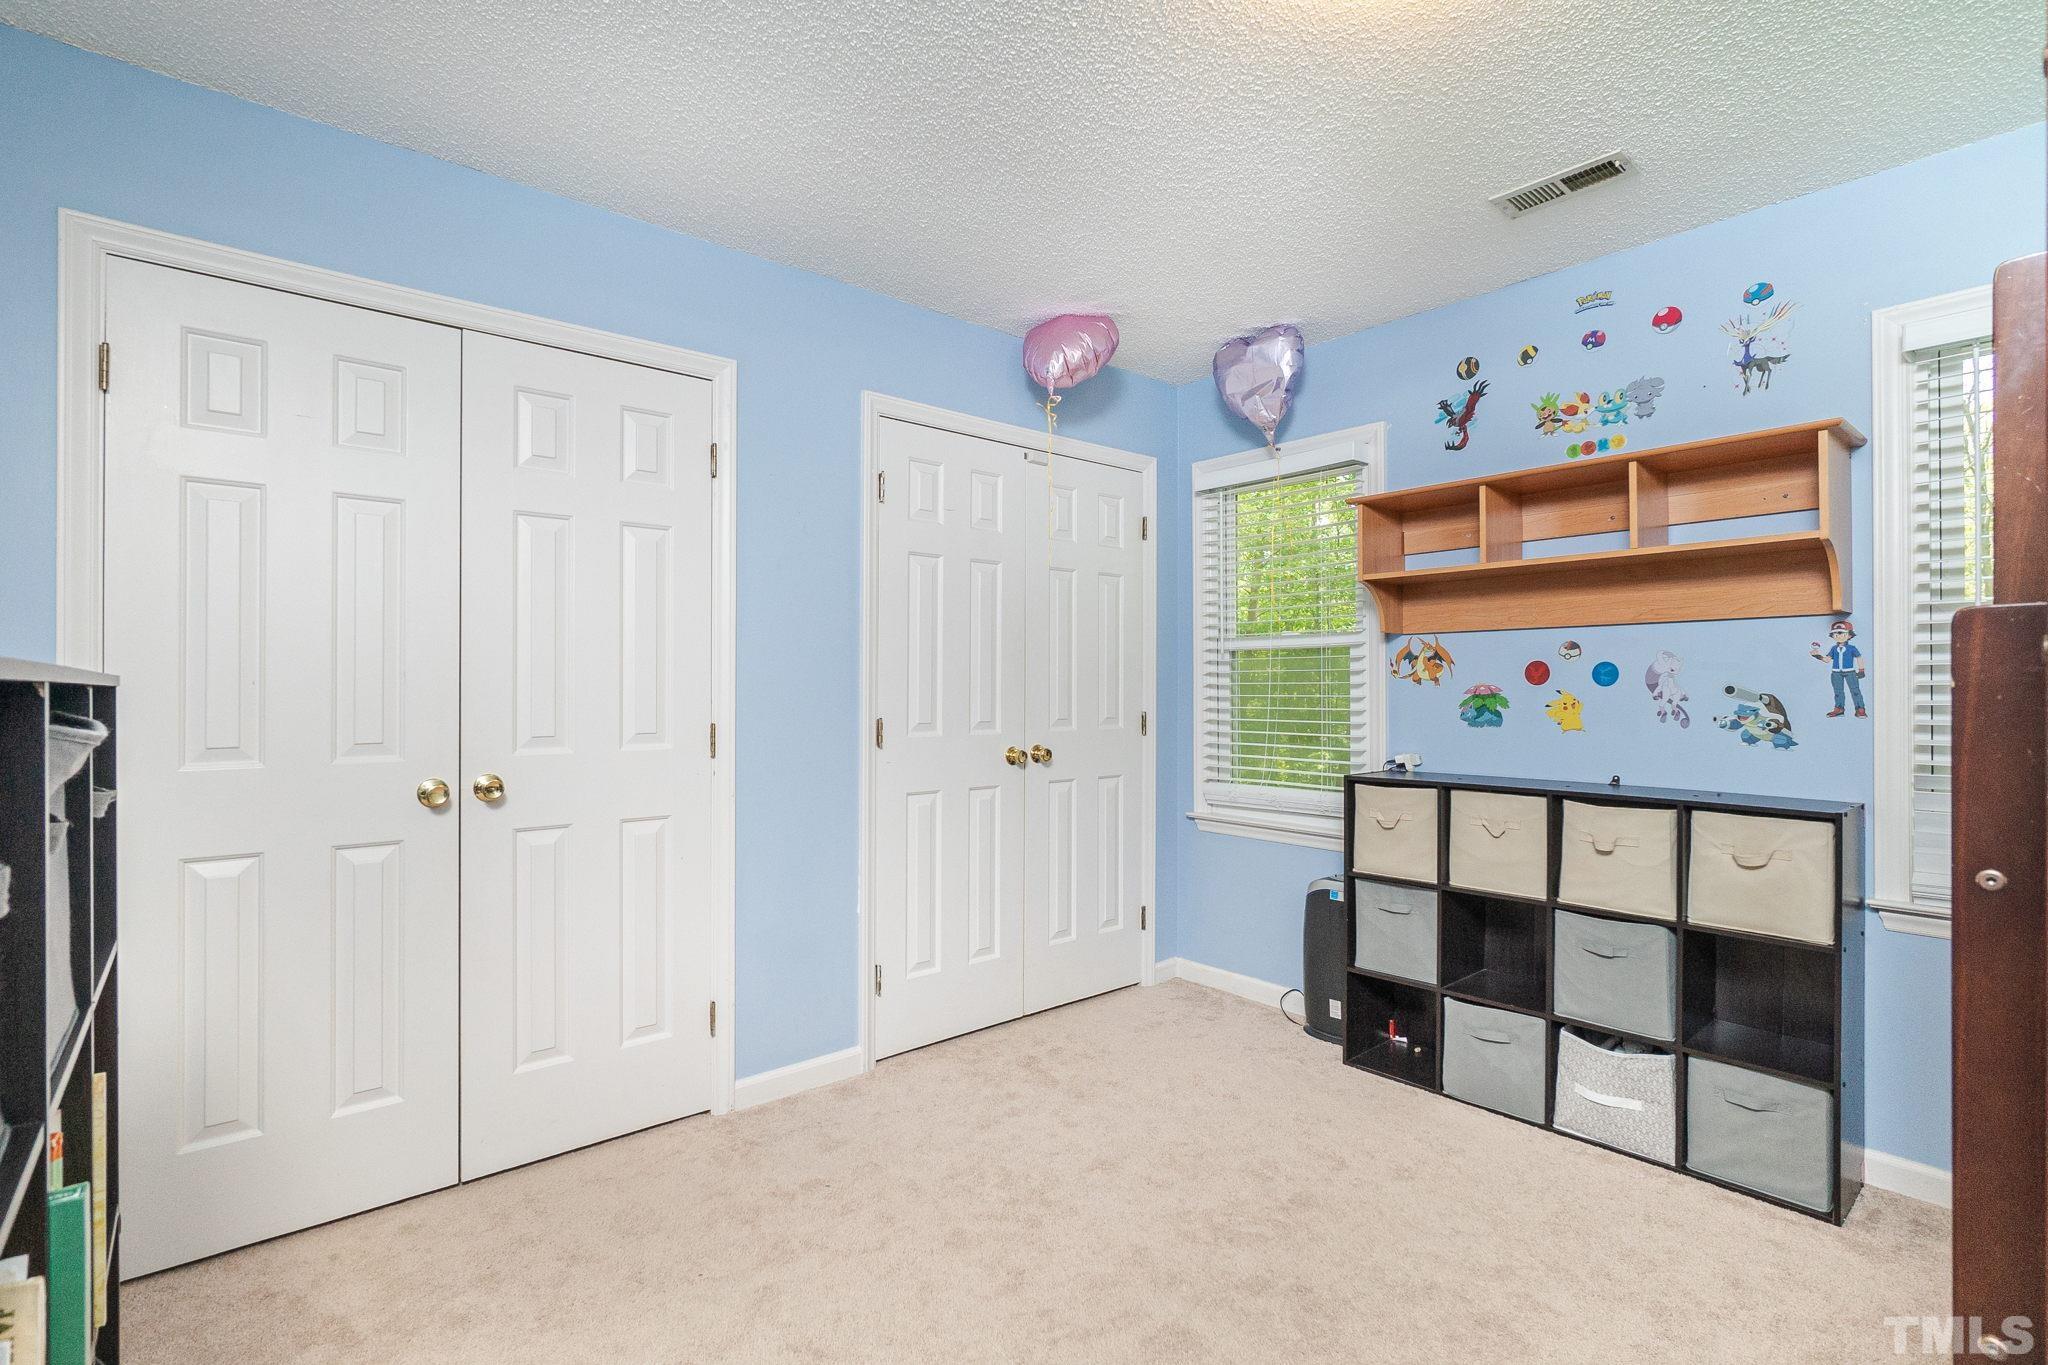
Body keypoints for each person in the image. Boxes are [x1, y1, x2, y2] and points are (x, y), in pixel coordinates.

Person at [1810, 620, 1866, 718]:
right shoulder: (1833, 649)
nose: (1837, 635)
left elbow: (1859, 658)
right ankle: (1839, 708)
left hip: (1850, 672)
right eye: (1834, 633)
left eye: (1840, 633)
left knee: (1855, 690)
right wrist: (1817, 656)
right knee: (1838, 691)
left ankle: (1860, 709)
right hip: (1836, 673)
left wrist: (1861, 670)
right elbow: (1827, 660)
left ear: (1849, 635)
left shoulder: (1852, 648)